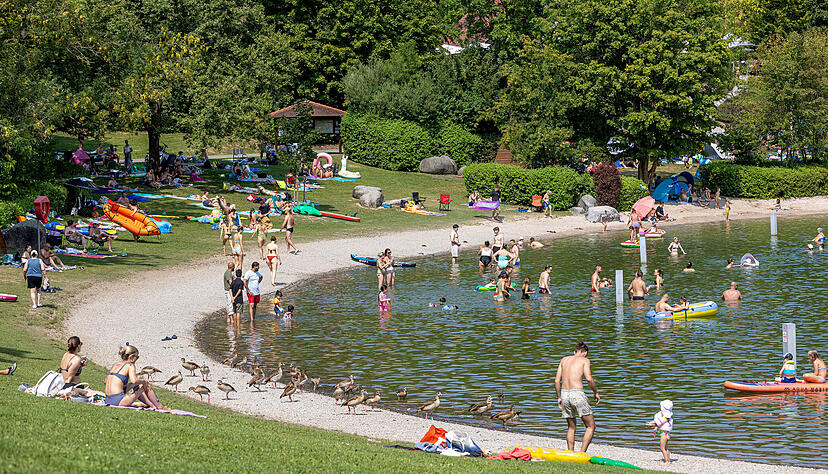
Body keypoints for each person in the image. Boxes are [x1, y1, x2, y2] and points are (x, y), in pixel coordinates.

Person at [555, 342, 600, 453]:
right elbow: (589, 379)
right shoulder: (585, 361)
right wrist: (596, 392)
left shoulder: (564, 360)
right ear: (585, 353)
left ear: (574, 351)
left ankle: (570, 453)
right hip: (577, 394)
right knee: (590, 426)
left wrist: (559, 397)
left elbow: (556, 380)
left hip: (565, 393)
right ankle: (582, 453)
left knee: (571, 427)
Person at [105, 344, 168, 409]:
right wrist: (144, 381)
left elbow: (105, 381)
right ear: (132, 357)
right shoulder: (130, 365)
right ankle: (160, 406)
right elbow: (134, 381)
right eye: (137, 357)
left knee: (131, 385)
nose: (136, 359)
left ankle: (151, 405)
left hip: (108, 400)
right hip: (119, 402)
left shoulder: (115, 365)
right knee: (143, 385)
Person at [646, 400, 674, 464]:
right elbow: (658, 422)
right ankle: (668, 460)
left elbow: (658, 423)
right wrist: (651, 423)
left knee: (662, 448)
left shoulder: (665, 418)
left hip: (664, 434)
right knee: (665, 447)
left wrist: (650, 424)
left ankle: (667, 461)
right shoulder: (666, 417)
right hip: (666, 433)